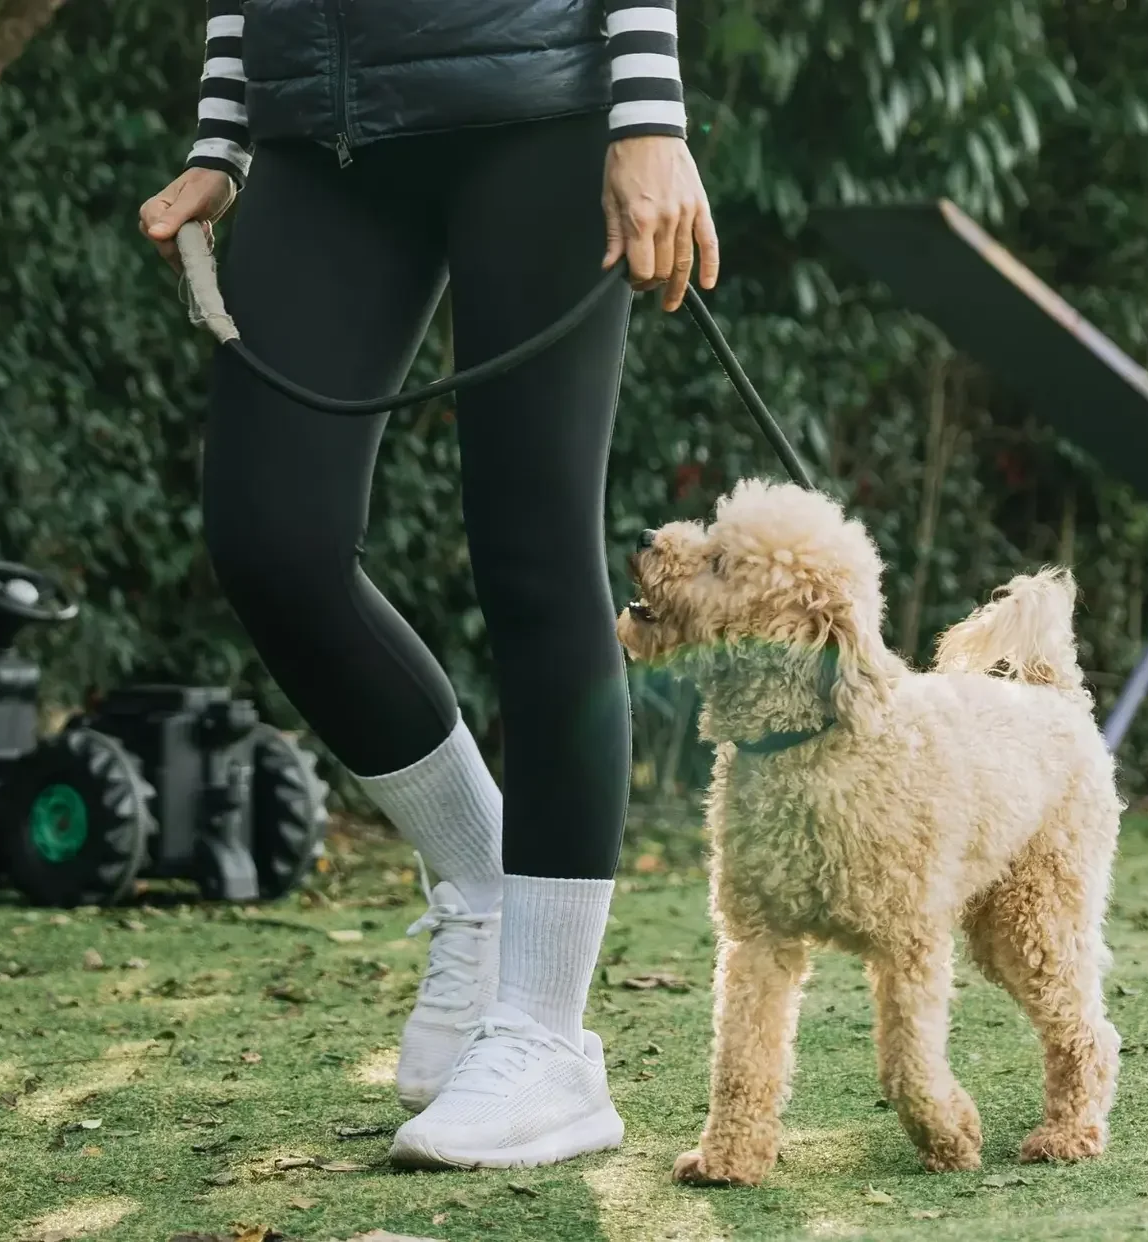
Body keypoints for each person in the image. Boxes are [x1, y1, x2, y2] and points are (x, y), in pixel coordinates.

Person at [137, 0, 718, 1170]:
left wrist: (649, 113)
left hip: (537, 108)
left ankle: (548, 1043)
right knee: (270, 543)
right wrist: (221, 139)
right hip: (319, 127)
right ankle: (482, 875)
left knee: (533, 552)